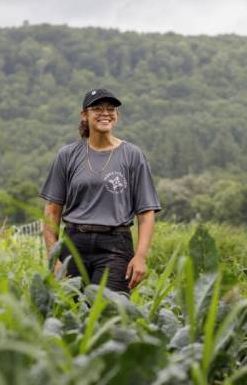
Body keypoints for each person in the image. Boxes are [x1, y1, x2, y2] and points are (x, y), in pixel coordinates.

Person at [40, 88, 161, 293]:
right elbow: (52, 211)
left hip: (115, 246)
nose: (105, 113)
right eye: (97, 108)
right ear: (84, 115)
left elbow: (146, 214)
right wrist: (53, 257)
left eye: (111, 108)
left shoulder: (132, 155)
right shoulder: (67, 155)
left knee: (107, 310)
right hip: (74, 244)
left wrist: (140, 257)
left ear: (117, 115)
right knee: (72, 311)